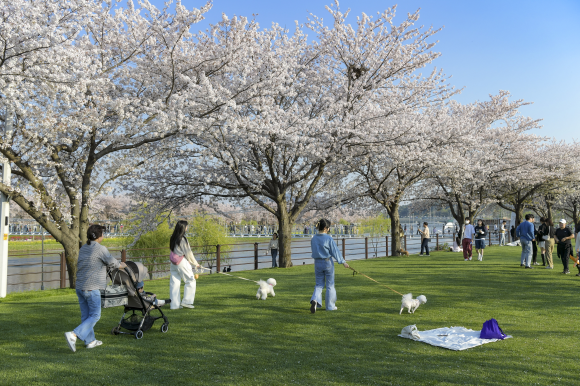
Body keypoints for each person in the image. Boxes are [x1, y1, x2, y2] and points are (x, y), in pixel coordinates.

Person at [65, 224, 126, 352]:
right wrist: (122, 266)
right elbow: (112, 262)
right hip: (91, 288)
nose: (103, 236)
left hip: (80, 287)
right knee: (95, 315)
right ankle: (74, 334)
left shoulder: (83, 248)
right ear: (99, 236)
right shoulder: (100, 249)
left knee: (86, 316)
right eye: (102, 234)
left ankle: (90, 341)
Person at [309, 219, 349, 313]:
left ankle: (315, 299)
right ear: (325, 228)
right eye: (328, 227)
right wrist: (343, 262)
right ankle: (330, 306)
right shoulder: (328, 238)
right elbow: (335, 251)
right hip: (327, 263)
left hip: (317, 262)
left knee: (319, 284)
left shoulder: (314, 238)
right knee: (330, 285)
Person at [169, 220, 200, 309]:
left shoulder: (173, 238)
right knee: (190, 280)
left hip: (173, 263)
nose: (187, 228)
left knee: (174, 283)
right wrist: (195, 263)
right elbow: (188, 253)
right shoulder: (182, 239)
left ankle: (174, 305)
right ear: (183, 228)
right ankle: (187, 302)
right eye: (186, 226)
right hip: (181, 262)